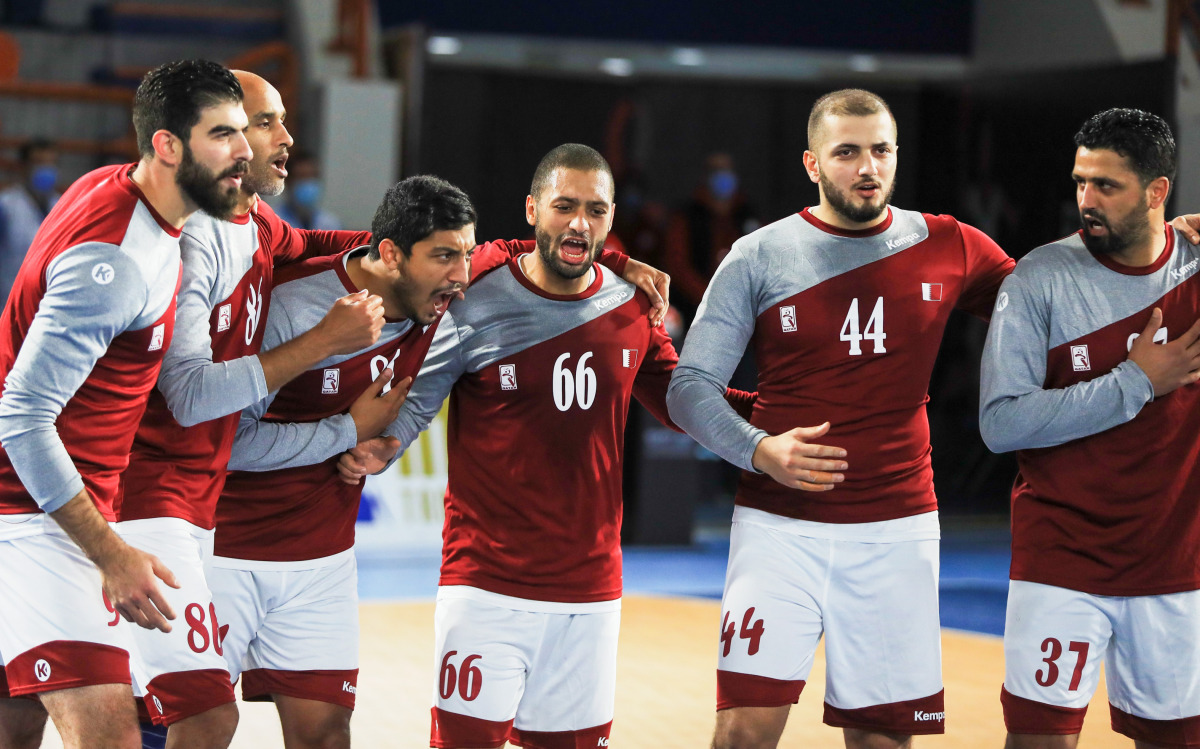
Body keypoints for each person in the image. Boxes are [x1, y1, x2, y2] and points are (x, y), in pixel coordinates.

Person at [355, 144, 750, 748]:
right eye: (564, 206)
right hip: (484, 586)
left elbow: (684, 402)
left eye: (595, 210)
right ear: (533, 210)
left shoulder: (630, 305)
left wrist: (776, 417)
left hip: (590, 593)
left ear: (612, 218)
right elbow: (414, 404)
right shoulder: (474, 300)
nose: (579, 223)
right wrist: (377, 449)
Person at [665, 89, 1018, 749]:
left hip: (898, 530)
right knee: (742, 732)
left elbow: (1050, 302)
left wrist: (1158, 245)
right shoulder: (760, 254)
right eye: (847, 152)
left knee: (883, 739)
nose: (867, 168)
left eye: (880, 150)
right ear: (812, 163)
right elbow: (689, 388)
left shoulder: (948, 244)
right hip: (779, 529)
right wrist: (759, 449)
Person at [114, 70, 396, 747]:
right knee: (197, 718)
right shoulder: (188, 238)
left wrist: (451, 254)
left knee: (165, 715)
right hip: (142, 498)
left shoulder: (256, 221)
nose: (284, 137)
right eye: (266, 122)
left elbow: (319, 245)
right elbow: (187, 398)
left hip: (191, 503)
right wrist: (321, 343)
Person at [0, 59, 250, 749]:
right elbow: (22, 415)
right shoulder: (117, 262)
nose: (245, 151)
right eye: (223, 134)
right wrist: (111, 552)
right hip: (31, 523)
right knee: (110, 736)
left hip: (39, 514)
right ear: (167, 145)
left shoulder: (117, 195)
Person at [979, 108, 1200, 748]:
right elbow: (1000, 422)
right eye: (1080, 182)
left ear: (1158, 192)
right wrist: (1134, 383)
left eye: (1107, 186)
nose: (1086, 201)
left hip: (1175, 562)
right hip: (1061, 558)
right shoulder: (1037, 279)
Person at [665, 152, 760, 319]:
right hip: (695, 311)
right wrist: (709, 298)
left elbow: (762, 262)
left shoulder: (747, 215)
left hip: (743, 312)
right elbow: (678, 266)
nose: (723, 176)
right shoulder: (687, 217)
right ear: (705, 176)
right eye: (716, 170)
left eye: (727, 170)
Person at [0, 139, 60, 302]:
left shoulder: (63, 206)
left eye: (50, 163)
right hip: (9, 302)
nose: (45, 170)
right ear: (23, 167)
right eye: (39, 163)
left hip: (48, 305)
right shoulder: (6, 206)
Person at [274, 150, 341, 231]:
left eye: (313, 176)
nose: (309, 182)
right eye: (302, 176)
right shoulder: (272, 221)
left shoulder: (330, 224)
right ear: (287, 182)